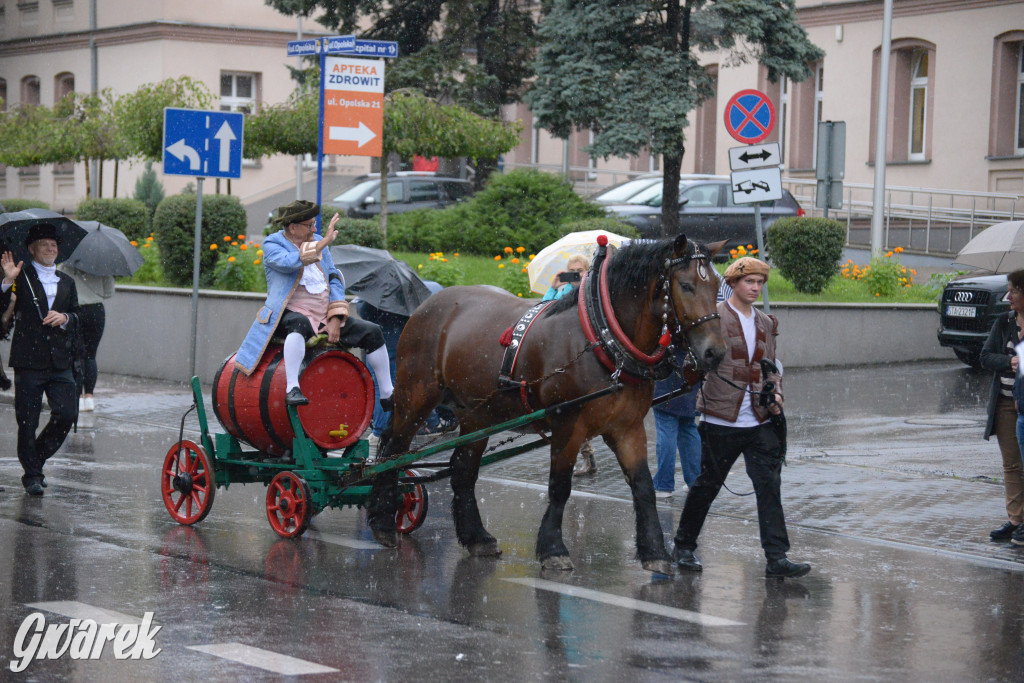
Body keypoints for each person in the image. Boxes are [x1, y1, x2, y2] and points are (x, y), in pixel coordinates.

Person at [672, 256, 811, 579]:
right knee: (707, 485)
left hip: (760, 420)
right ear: (733, 283)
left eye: (760, 283)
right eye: (749, 281)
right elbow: (694, 361)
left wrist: (776, 393)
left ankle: (777, 558)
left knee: (769, 486)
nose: (755, 287)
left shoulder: (765, 323)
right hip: (721, 420)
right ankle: (683, 546)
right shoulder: (715, 317)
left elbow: (772, 367)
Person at [234, 200, 395, 410]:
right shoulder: (272, 244)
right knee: (299, 323)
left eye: (314, 224)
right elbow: (289, 262)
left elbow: (334, 278)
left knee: (373, 332)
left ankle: (387, 393)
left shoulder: (319, 242)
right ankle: (292, 387)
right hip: (287, 312)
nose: (314, 229)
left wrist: (336, 317)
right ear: (293, 227)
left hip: (323, 315)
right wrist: (324, 242)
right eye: (309, 225)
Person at [1, 223, 81, 496]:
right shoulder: (19, 277)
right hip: (28, 360)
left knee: (67, 414)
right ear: (32, 250)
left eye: (53, 245)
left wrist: (65, 317)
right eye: (44, 244)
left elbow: (78, 316)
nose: (50, 249)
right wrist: (6, 282)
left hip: (60, 361)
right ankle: (33, 475)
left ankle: (34, 458)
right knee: (28, 421)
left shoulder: (67, 282)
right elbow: (2, 307)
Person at [538, 254, 597, 475]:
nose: (575, 275)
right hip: (561, 354)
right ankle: (588, 457)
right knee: (569, 412)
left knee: (575, 412)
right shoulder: (563, 291)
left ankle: (584, 456)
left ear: (587, 271)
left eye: (579, 270)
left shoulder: (590, 291)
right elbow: (543, 310)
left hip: (581, 357)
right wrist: (554, 287)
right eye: (571, 271)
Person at [981, 269, 1024, 543]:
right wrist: (1009, 362)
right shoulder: (1004, 321)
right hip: (1006, 404)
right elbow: (985, 356)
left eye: (1014, 291)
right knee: (1012, 465)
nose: (1009, 296)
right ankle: (1016, 519)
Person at [58, 263, 114, 412]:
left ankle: (76, 397)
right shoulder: (102, 264)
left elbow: (60, 289)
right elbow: (109, 292)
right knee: (90, 354)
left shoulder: (66, 265)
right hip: (96, 311)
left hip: (75, 311)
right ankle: (89, 397)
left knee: (75, 354)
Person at [652, 376, 701, 499]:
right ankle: (695, 481)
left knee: (666, 432)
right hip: (690, 386)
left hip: (667, 388)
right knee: (688, 430)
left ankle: (663, 486)